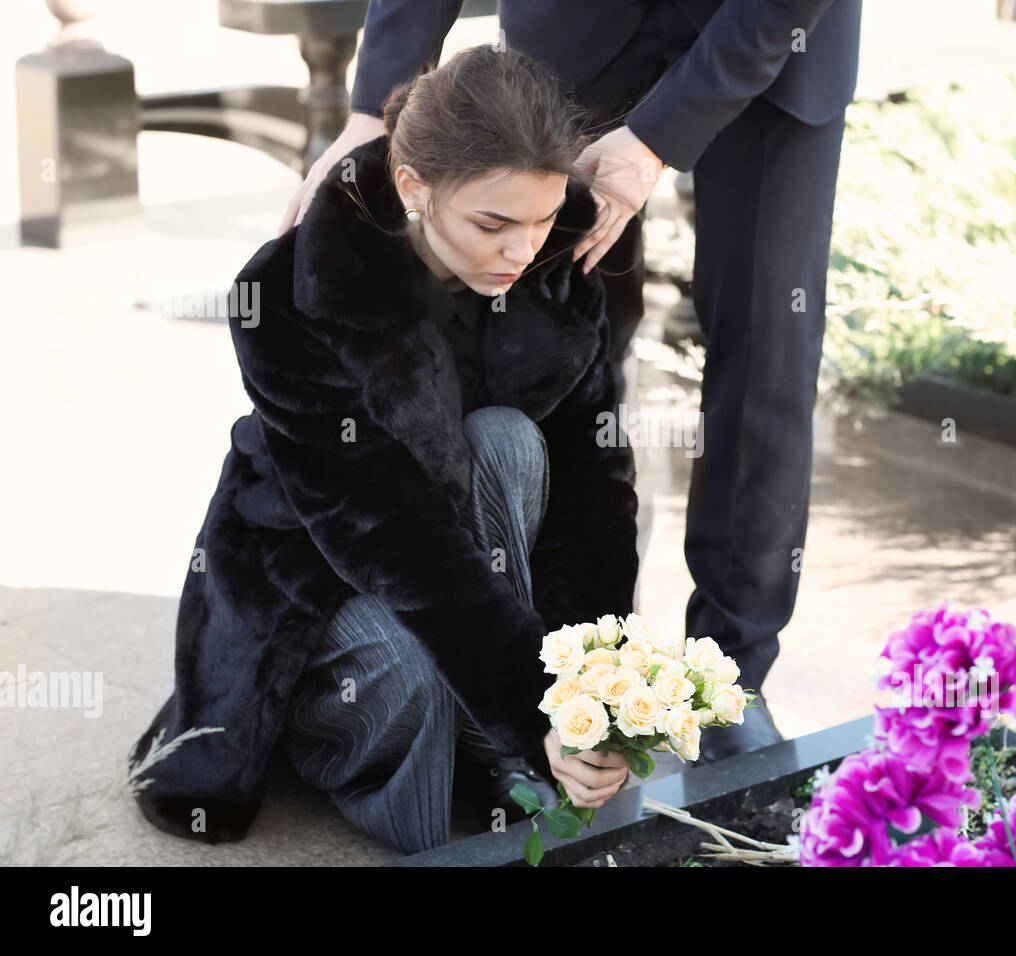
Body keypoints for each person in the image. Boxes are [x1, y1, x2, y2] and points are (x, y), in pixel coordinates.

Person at [281, 0, 864, 763]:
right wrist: (373, 104)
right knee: (555, 353)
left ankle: (732, 681)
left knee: (767, 357)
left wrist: (654, 142)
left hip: (778, 34)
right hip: (579, 32)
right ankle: (569, 664)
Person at [128, 45, 641, 853]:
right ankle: (368, 747)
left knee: (507, 438)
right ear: (414, 187)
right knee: (408, 668)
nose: (522, 250)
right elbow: (389, 532)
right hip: (322, 574)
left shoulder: (562, 263)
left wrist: (594, 697)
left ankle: (497, 748)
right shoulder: (289, 293)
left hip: (475, 577)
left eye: (542, 219)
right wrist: (529, 704)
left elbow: (595, 496)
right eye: (493, 224)